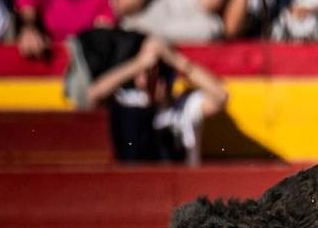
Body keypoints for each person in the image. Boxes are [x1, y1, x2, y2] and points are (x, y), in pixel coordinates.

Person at [85, 34, 227, 163]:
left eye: (160, 74)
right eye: (146, 74)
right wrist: (139, 64)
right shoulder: (130, 101)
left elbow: (220, 96)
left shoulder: (185, 106)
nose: (153, 81)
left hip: (183, 184)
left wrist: (175, 60)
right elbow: (93, 95)